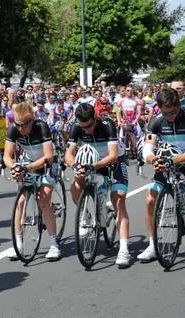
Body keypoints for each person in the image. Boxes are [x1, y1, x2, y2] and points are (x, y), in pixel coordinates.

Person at [139, 88, 185, 267]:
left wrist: (171, 161)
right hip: (166, 161)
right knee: (150, 200)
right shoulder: (156, 121)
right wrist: (152, 159)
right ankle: (152, 244)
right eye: (166, 113)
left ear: (179, 105)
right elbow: (148, 147)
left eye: (173, 112)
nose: (170, 116)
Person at [65, 103, 131, 268]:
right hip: (90, 161)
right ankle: (86, 213)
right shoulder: (76, 127)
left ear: (95, 118)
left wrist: (92, 167)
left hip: (112, 162)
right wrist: (76, 166)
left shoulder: (107, 125)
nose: (86, 130)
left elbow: (113, 155)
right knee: (75, 184)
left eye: (89, 125)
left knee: (119, 199)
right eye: (82, 126)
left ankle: (124, 249)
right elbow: (68, 154)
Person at [3, 102, 61, 260]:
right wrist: (14, 167)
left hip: (46, 163)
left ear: (32, 120)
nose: (20, 129)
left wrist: (27, 168)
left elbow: (48, 157)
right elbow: (7, 156)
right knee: (20, 202)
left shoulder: (41, 127)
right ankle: (19, 245)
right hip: (27, 163)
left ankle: (54, 244)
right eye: (18, 125)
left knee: (43, 199)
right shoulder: (13, 128)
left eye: (24, 125)